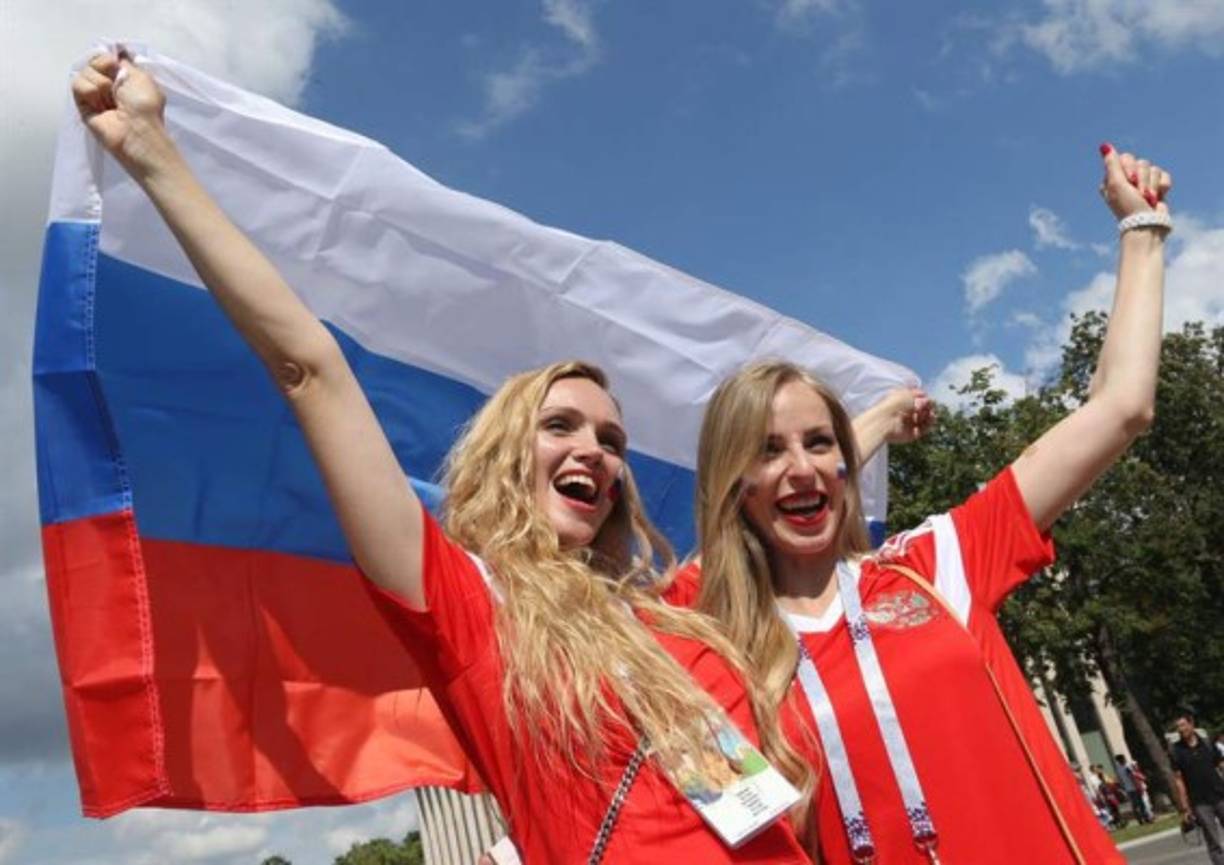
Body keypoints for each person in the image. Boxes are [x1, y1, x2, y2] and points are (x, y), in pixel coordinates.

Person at [71, 52, 816, 863]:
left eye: (612, 440)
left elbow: (773, 509)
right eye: (560, 425)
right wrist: (152, 152)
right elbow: (310, 371)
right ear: (504, 454)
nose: (594, 451)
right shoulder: (466, 604)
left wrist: (863, 425)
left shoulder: (671, 607)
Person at [681, 142, 1172, 863]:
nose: (800, 469)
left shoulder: (934, 564)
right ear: (732, 481)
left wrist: (1142, 233)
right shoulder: (708, 638)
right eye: (766, 450)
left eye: (821, 443)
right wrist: (873, 422)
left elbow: (1121, 408)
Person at [1171, 712, 1224, 864]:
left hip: (1220, 795)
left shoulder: (1207, 743)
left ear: (1191, 724)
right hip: (1200, 802)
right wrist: (1185, 808)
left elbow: (1221, 765)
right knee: (1213, 842)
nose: (1181, 730)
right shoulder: (1176, 751)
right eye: (1178, 728)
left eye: (1183, 725)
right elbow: (1179, 780)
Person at [1114, 753, 1152, 823]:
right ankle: (1143, 818)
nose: (1124, 760)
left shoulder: (1121, 768)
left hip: (1130, 788)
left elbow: (1121, 779)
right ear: (1120, 760)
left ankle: (1142, 818)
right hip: (1133, 788)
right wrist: (1142, 779)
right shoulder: (1125, 767)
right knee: (1139, 804)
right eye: (1122, 759)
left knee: (1138, 804)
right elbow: (1132, 776)